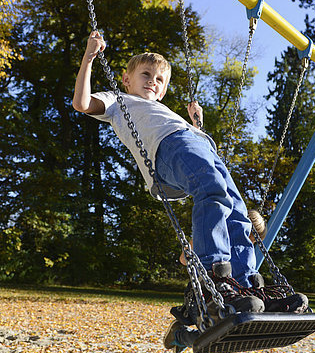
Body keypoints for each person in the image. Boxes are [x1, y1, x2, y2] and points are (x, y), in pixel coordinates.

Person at [73, 31, 265, 317]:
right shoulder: (117, 100)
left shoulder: (163, 109)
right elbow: (82, 103)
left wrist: (197, 125)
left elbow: (194, 143)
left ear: (162, 92)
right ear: (126, 80)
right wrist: (90, 55)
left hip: (199, 145)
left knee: (236, 213)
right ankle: (214, 277)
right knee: (212, 190)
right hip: (169, 147)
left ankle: (246, 286)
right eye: (145, 74)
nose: (152, 81)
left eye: (159, 79)